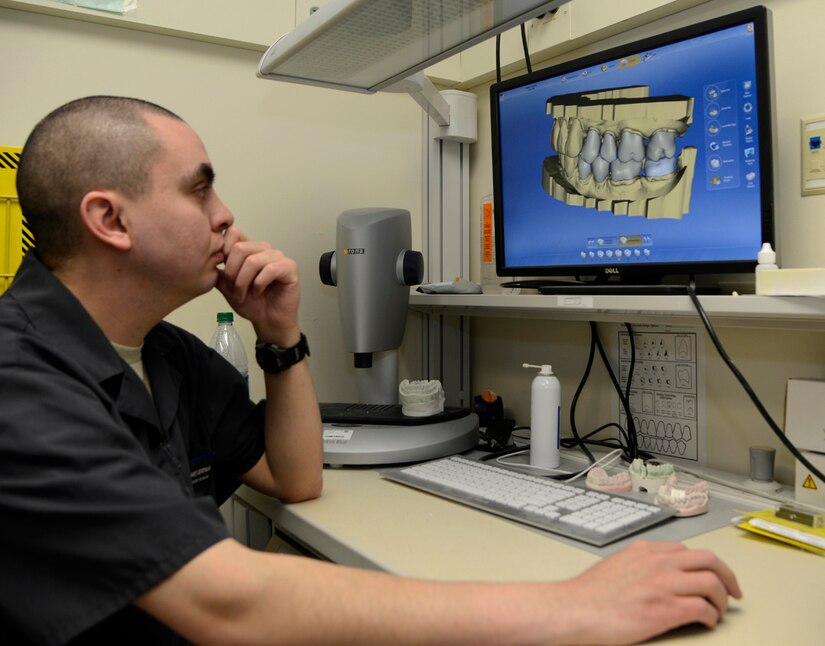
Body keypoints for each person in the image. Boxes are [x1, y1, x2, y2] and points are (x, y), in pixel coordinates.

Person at [0, 96, 741, 645]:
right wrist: (574, 606)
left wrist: (280, 337)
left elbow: (295, 477)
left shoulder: (163, 355)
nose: (225, 215)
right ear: (110, 220)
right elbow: (226, 602)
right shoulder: (19, 380)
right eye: (199, 190)